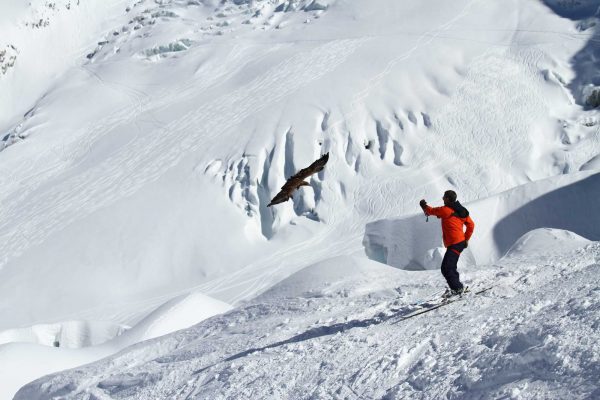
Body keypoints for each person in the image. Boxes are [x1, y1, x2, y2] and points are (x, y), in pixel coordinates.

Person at [419, 190, 475, 297]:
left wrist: (423, 205)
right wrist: (466, 239)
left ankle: (457, 289)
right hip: (458, 243)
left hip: (455, 243)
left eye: (444, 197)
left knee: (446, 268)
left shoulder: (446, 210)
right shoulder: (461, 210)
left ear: (448, 199)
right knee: (450, 267)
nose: (442, 198)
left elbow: (431, 211)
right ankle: (458, 287)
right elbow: (471, 225)